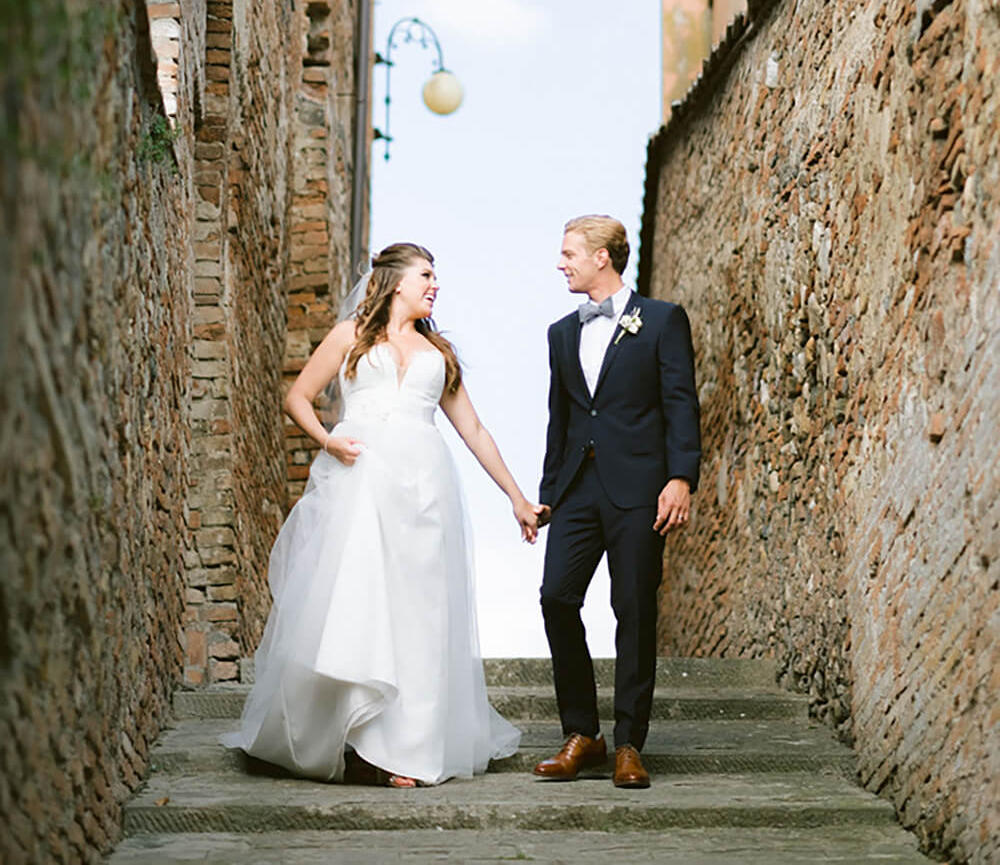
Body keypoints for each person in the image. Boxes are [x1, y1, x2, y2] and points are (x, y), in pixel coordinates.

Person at [222, 242, 540, 787]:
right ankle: (349, 737)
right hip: (361, 481)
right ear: (396, 282)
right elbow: (298, 395)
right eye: (426, 275)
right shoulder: (351, 337)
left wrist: (516, 497)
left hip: (424, 487)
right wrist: (328, 441)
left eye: (435, 277)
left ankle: (404, 751)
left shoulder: (439, 355)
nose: (435, 285)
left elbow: (475, 431)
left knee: (418, 614)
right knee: (358, 603)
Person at [533, 215, 701, 790]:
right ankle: (583, 733)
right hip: (577, 490)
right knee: (556, 597)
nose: (561, 263)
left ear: (602, 257)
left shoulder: (661, 320)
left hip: (639, 490)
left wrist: (681, 477)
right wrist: (546, 496)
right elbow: (561, 419)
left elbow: (681, 404)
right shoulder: (560, 332)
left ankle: (630, 742)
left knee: (634, 609)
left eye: (569, 253)